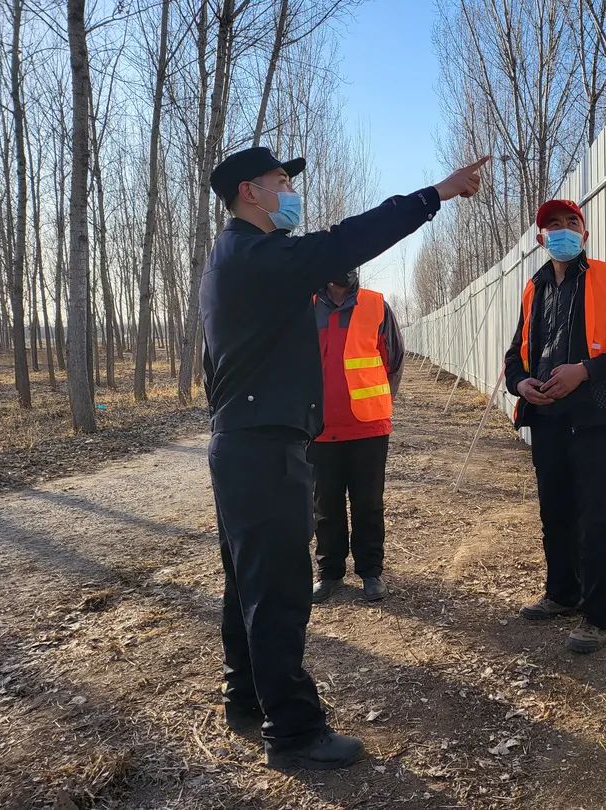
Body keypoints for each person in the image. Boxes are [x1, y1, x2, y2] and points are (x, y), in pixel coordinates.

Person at [202, 146, 486, 771]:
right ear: (251, 191)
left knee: (247, 586)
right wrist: (434, 194)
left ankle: (246, 700)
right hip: (263, 449)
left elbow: (212, 367)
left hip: (240, 444)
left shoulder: (231, 260)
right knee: (277, 593)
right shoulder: (259, 256)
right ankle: (294, 732)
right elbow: (347, 240)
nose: (290, 192)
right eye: (282, 182)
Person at [503, 198, 606, 654]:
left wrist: (583, 371)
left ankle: (599, 616)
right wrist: (521, 383)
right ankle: (562, 593)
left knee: (597, 517)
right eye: (554, 225)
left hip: (596, 419)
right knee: (556, 512)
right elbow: (516, 354)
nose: (563, 230)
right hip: (546, 420)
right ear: (541, 238)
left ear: (584, 234)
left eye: (572, 223)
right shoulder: (535, 288)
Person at [310, 270, 402, 604]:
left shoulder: (376, 305)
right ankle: (329, 572)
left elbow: (393, 360)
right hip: (318, 427)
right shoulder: (305, 306)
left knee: (368, 502)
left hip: (368, 426)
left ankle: (370, 572)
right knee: (325, 504)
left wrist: (382, 403)